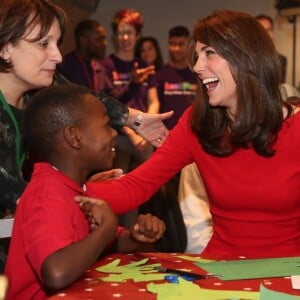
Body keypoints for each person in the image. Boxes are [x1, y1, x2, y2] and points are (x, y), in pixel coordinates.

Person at [82, 10, 300, 260]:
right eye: (197, 57)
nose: (196, 67)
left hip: (288, 275)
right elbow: (137, 185)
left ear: (246, 57)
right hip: (220, 272)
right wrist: (70, 190)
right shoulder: (197, 123)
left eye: (209, 54)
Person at [0, 0, 170, 272]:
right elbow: (17, 194)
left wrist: (136, 119)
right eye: (43, 44)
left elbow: (83, 98)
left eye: (57, 43)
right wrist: (77, 191)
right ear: (6, 48)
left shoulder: (34, 92)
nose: (57, 55)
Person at [4, 84, 166, 300]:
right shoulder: (46, 194)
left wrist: (136, 236)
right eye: (107, 125)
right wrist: (106, 229)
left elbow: (96, 244)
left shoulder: (73, 187)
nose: (114, 133)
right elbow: (56, 272)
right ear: (74, 137)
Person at [147, 26, 197, 130]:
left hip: (194, 133)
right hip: (166, 135)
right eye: (173, 44)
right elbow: (154, 103)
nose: (176, 49)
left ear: (189, 45)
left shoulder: (198, 74)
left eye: (181, 44)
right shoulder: (160, 75)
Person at [255, 14, 287, 83]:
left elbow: (279, 87)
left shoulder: (280, 60)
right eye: (260, 30)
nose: (264, 33)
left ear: (272, 33)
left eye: (267, 30)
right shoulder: (245, 58)